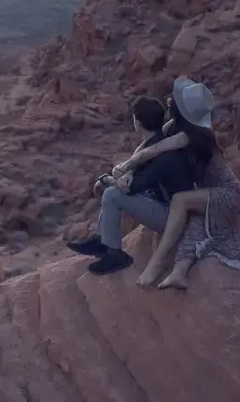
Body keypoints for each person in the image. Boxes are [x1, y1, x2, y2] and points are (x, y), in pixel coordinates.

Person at [112, 77, 240, 289]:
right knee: (190, 229)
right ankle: (178, 273)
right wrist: (129, 171)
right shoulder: (175, 126)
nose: (168, 100)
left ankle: (156, 264)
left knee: (180, 201)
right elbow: (143, 147)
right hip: (205, 194)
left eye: (173, 99)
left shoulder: (188, 136)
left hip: (227, 195)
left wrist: (128, 166)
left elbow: (151, 151)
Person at [69, 95, 198, 275]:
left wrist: (106, 180)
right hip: (166, 203)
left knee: (112, 194)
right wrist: (125, 173)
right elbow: (136, 170)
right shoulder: (159, 143)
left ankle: (116, 256)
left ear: (137, 123)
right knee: (114, 190)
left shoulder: (162, 156)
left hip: (173, 217)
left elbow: (131, 188)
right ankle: (102, 241)